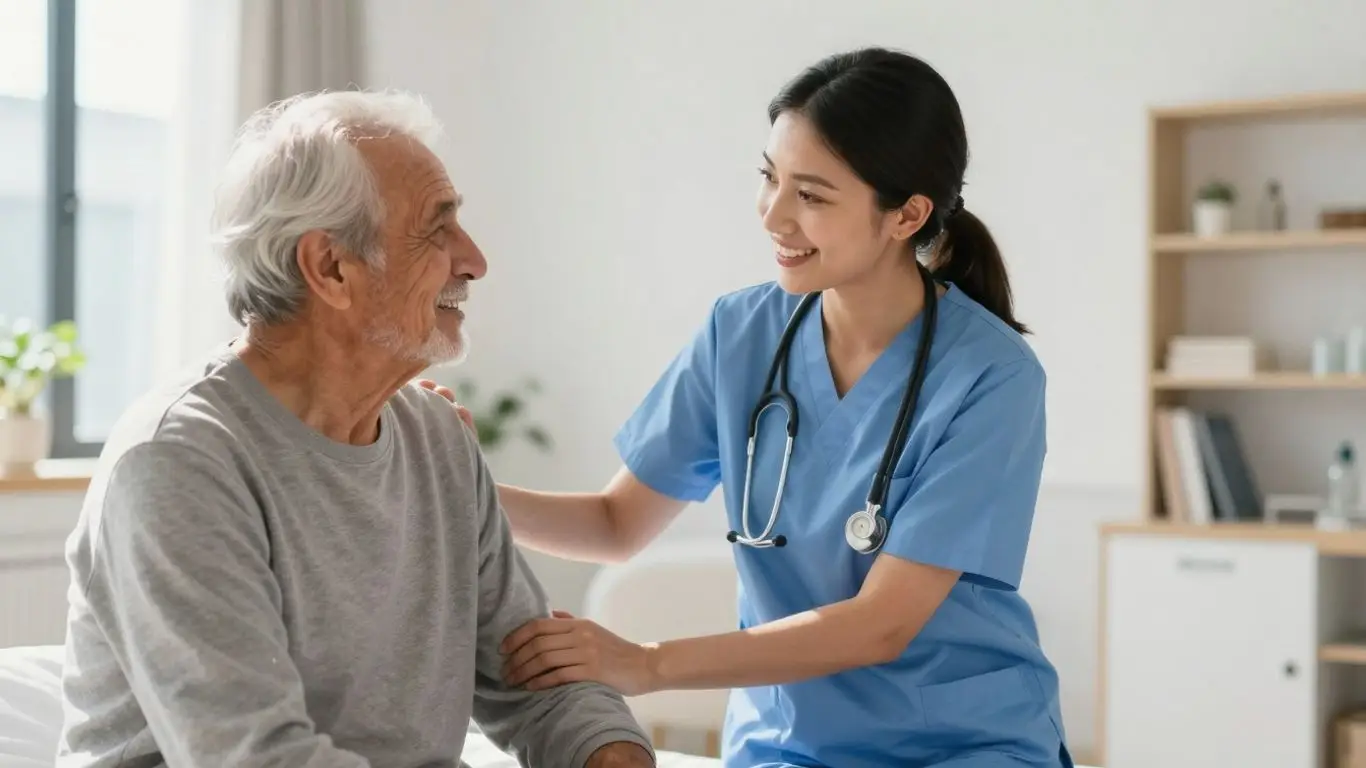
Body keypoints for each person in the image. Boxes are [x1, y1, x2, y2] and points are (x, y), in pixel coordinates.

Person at [432, 47, 1072, 767]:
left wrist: (647, 663)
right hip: (789, 746)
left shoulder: (990, 377)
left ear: (907, 215)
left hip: (960, 744)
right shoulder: (740, 335)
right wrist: (456, 482)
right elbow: (617, 524)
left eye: (813, 195)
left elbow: (881, 626)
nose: (773, 216)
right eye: (769, 179)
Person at [55, 90, 654, 768]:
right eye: (438, 229)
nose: (475, 260)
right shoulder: (177, 462)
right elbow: (257, 757)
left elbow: (542, 685)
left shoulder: (439, 440)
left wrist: (611, 755)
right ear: (331, 268)